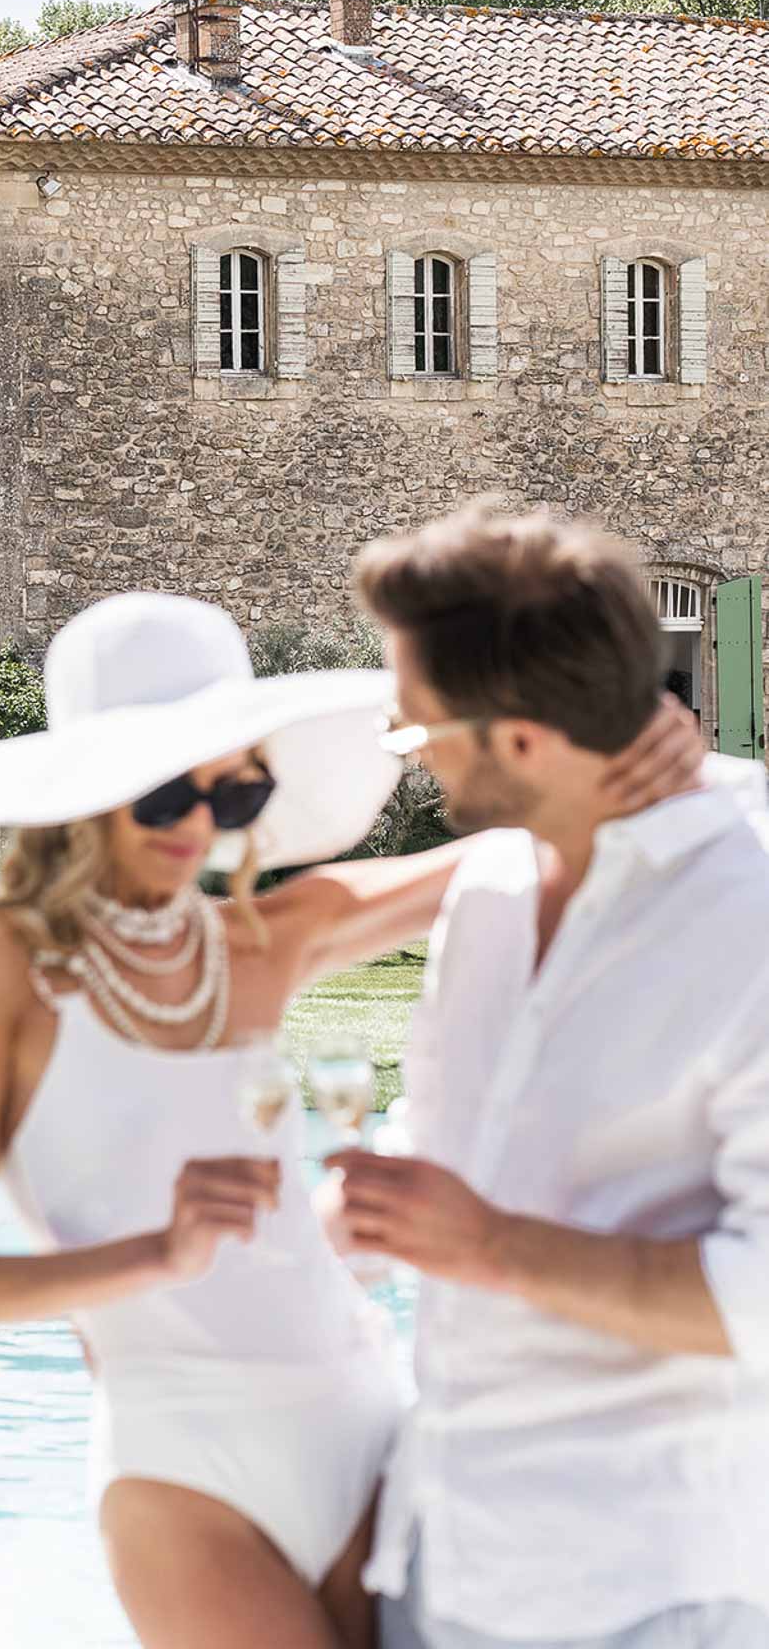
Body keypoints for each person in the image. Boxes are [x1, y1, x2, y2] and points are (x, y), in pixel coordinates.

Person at [0, 589, 699, 1649]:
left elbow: (529, 851)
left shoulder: (260, 942)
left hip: (363, 1424)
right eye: (170, 792)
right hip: (180, 1463)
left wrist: (633, 760)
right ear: (92, 788)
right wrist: (161, 1249)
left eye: (233, 797)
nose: (196, 828)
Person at [320, 503, 769, 1649]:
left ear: (519, 742)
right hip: (449, 1558)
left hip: (649, 1589)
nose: (410, 753)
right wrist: (373, 1210)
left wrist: (488, 1245)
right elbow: (465, 1148)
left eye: (417, 730)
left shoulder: (748, 914)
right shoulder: (492, 890)